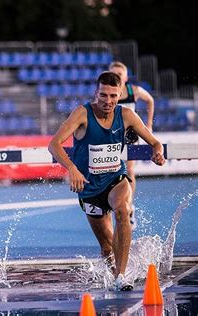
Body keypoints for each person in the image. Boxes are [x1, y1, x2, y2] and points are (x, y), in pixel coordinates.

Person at [48, 71, 165, 291]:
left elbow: (154, 143)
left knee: (122, 210)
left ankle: (121, 276)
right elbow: (54, 144)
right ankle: (114, 275)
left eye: (113, 96)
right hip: (89, 187)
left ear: (120, 94)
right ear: (96, 93)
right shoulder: (82, 114)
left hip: (116, 179)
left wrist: (157, 153)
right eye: (103, 95)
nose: (108, 101)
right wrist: (72, 168)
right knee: (106, 246)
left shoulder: (127, 115)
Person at [108, 61, 155, 230]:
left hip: (129, 137)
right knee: (111, 172)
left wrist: (148, 124)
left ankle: (128, 206)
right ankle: (113, 204)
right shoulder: (105, 93)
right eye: (113, 73)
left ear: (126, 77)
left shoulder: (133, 91)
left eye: (119, 74)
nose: (116, 77)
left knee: (130, 171)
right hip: (110, 138)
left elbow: (150, 100)